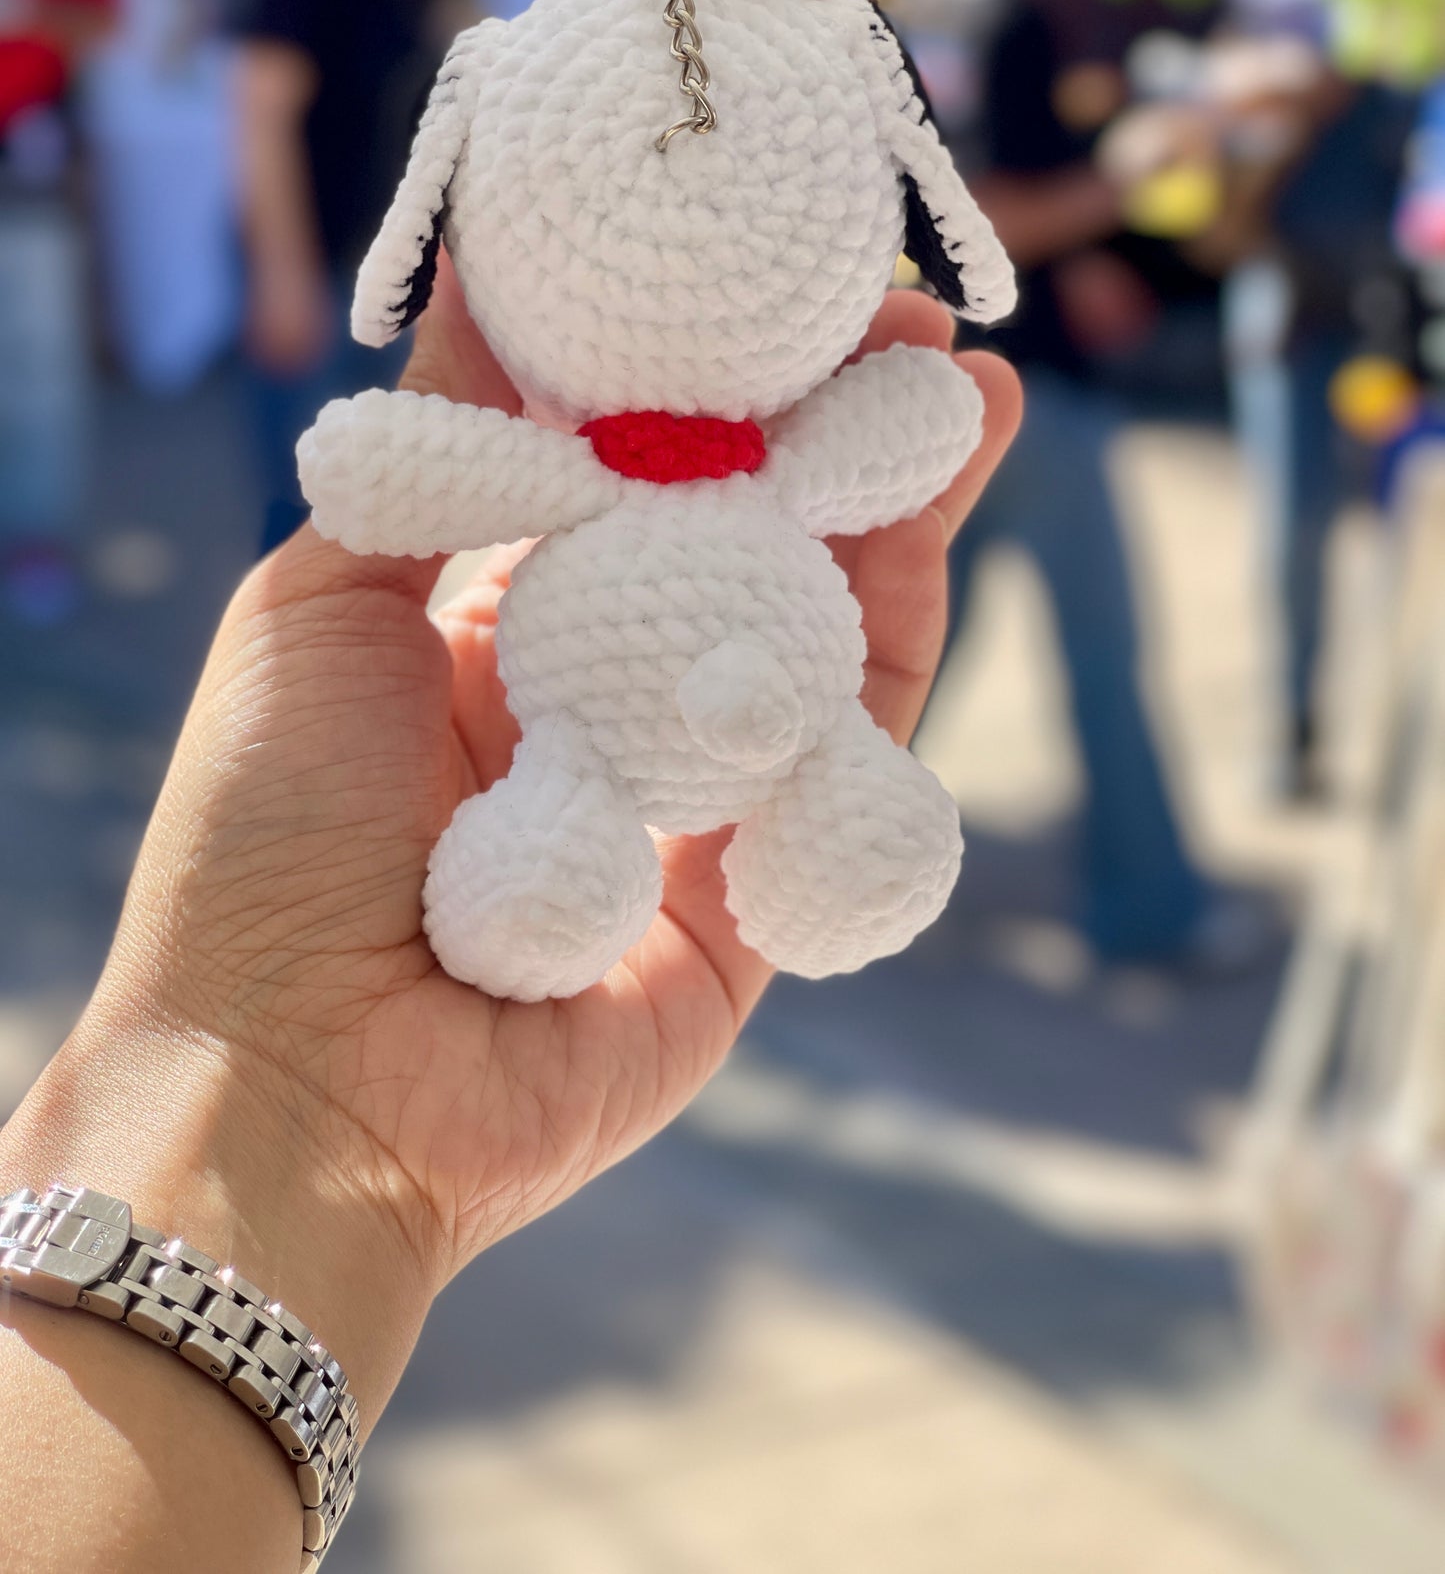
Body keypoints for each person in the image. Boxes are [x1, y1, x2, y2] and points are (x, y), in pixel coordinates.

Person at [0, 261, 1021, 1565]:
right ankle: (572, 856)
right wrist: (275, 1080)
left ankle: (827, 806)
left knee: (837, 771)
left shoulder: (758, 464)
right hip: (580, 747)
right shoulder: (582, 466)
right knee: (564, 822)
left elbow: (916, 420)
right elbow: (407, 467)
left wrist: (256, 1076)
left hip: (788, 705)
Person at [944, 0, 1247, 968]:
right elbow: (991, 214)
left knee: (899, 656)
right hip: (1025, 400)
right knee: (1102, 656)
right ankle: (1148, 905)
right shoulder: (1005, 24)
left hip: (969, 389)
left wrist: (1080, 253)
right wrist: (1121, 183)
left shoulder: (976, 17)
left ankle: (769, 869)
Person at [233, 0, 448, 550]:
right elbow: (260, 119)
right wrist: (281, 274)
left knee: (389, 512)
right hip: (314, 262)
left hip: (392, 273)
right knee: (304, 519)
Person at [0, 0, 114, 621]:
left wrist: (36, 11)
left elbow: (104, 17)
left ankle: (34, 538)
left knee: (36, 356)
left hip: (29, 153)